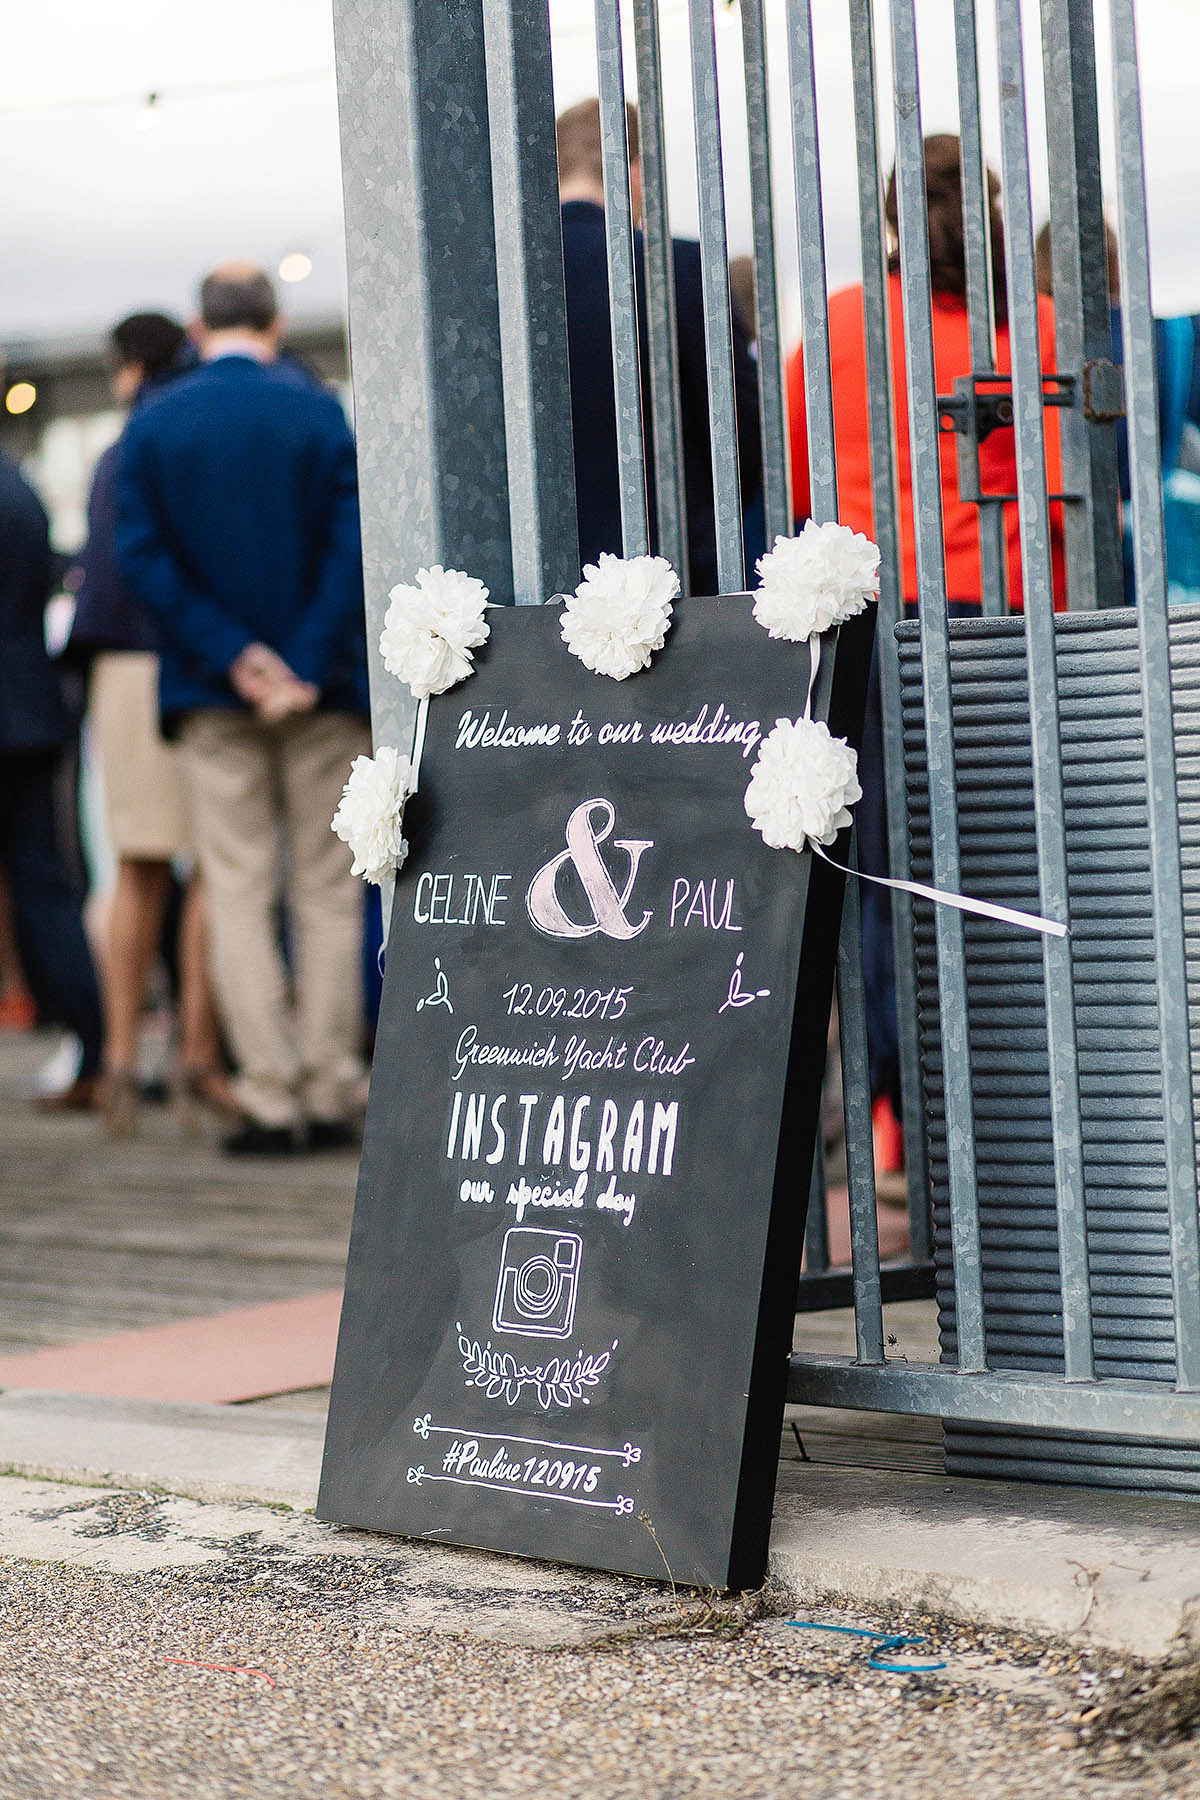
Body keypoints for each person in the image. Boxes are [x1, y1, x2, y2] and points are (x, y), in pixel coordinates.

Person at [786, 134, 1064, 1175]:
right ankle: (1009, 1118)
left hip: (872, 628)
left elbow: (803, 482)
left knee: (881, 881)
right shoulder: (1030, 327)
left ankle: (891, 1119)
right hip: (1000, 627)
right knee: (1008, 874)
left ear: (896, 215)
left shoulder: (847, 327)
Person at [115, 262, 371, 1155]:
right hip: (322, 687)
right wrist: (297, 659)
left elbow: (142, 560)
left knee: (235, 891)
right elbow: (353, 540)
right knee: (329, 892)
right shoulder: (316, 410)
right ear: (275, 317)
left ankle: (267, 1095)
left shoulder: (155, 423)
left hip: (209, 688)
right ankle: (334, 1086)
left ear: (196, 323)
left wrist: (236, 657)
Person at [69, 312, 233, 1137]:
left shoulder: (126, 444)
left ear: (129, 365)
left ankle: (123, 1059)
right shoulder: (201, 428)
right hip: (202, 664)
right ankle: (199, 1052)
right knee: (209, 864)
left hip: (128, 665)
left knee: (135, 865)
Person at [556, 99, 762, 596]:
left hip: (532, 588)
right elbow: (739, 429)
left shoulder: (503, 284)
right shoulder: (678, 267)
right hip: (667, 577)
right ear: (634, 168)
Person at [0, 450, 105, 1109]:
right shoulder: (22, 489)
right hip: (30, 712)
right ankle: (95, 1046)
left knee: (45, 888)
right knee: (47, 887)